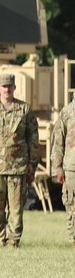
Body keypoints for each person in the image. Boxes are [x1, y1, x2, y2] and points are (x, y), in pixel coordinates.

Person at [0, 72, 39, 248]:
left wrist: (32, 165)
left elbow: (33, 139)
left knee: (16, 209)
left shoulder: (24, 110)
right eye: (4, 86)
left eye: (10, 86)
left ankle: (13, 241)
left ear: (14, 88)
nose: (7, 89)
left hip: (17, 168)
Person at [50, 99, 75, 245]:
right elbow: (58, 143)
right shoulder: (66, 112)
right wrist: (57, 168)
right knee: (71, 205)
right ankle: (74, 240)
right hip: (72, 167)